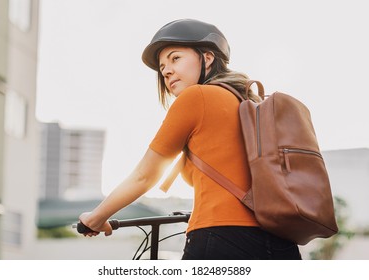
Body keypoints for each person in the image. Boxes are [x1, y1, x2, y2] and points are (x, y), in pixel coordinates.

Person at [79, 19, 302, 260]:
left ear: (207, 58)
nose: (165, 70)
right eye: (162, 66)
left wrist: (96, 217)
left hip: (221, 238)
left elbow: (145, 175)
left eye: (175, 58)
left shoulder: (197, 97)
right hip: (281, 242)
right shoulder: (251, 105)